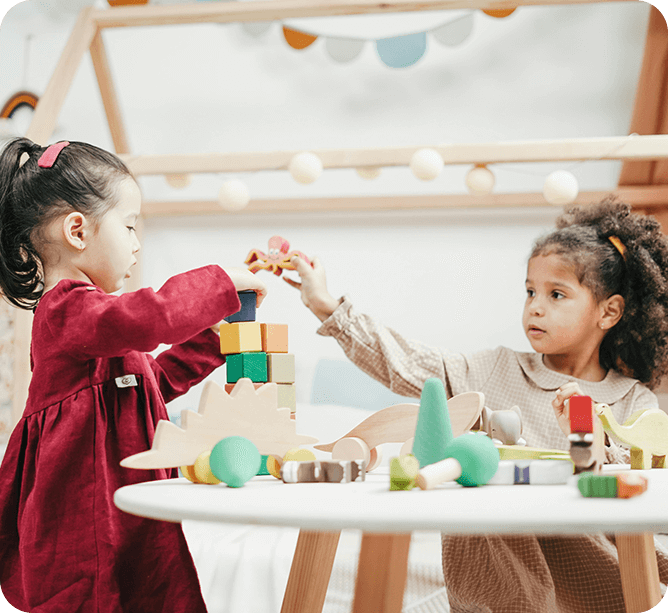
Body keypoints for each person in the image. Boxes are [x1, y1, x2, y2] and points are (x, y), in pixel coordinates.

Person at [285, 197, 668, 613]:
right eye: (530, 291)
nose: (535, 306)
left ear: (608, 312)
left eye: (557, 294)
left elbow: (637, 489)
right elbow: (405, 362)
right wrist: (324, 304)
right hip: (501, 585)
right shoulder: (492, 369)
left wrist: (585, 436)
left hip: (600, 587)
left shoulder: (634, 401)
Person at [0, 137, 267, 612]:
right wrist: (220, 283)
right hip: (84, 515)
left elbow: (151, 385)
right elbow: (148, 320)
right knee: (94, 597)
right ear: (78, 232)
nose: (137, 245)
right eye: (129, 227)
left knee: (155, 590)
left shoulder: (101, 326)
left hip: (129, 505)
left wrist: (219, 337)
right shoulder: (66, 311)